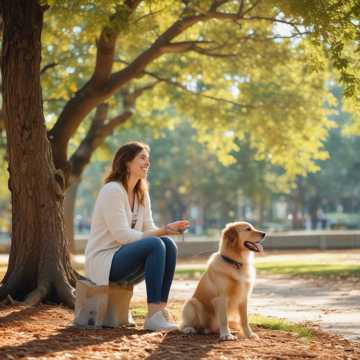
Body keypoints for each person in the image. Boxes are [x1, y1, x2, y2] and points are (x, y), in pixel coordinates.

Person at [85, 141, 190, 331]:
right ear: (127, 162)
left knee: (168, 244)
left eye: (148, 159)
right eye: (142, 157)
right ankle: (152, 316)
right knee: (156, 244)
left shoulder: (141, 192)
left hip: (124, 257)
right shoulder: (112, 190)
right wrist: (163, 230)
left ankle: (158, 311)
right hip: (105, 261)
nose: (147, 163)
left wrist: (168, 231)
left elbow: (150, 228)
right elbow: (122, 235)